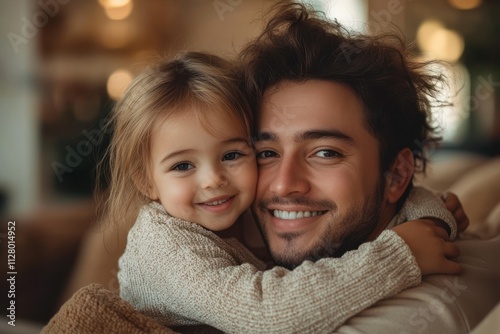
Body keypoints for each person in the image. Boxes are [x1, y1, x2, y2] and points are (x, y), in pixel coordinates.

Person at [109, 52, 460, 333]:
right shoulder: (164, 246)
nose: (213, 180)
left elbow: (414, 194)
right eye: (268, 153)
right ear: (146, 181)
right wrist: (400, 255)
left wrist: (433, 220)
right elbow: (267, 313)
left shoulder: (234, 208)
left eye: (233, 155)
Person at [234, 2, 500, 333]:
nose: (283, 185)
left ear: (397, 175)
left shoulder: (426, 306)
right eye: (266, 153)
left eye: (326, 153)